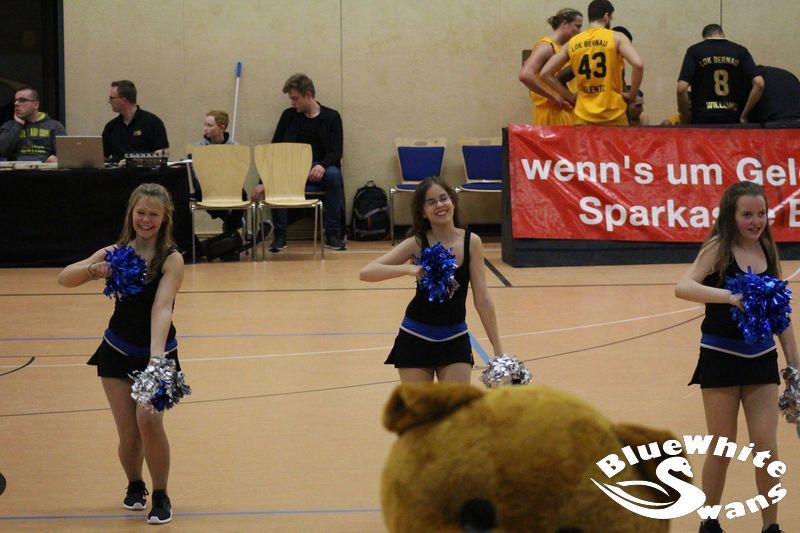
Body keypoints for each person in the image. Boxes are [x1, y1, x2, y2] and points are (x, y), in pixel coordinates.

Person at [58, 183, 184, 525]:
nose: (146, 219)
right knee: (129, 435)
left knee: (149, 422)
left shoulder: (171, 259)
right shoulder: (114, 252)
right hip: (116, 349)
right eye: (140, 212)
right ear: (131, 213)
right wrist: (93, 271)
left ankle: (161, 494)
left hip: (157, 352)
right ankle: (135, 484)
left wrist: (155, 360)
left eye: (153, 214)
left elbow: (162, 308)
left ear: (164, 218)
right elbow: (64, 279)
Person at [675, 181, 797, 533]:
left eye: (761, 214)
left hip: (761, 360)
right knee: (722, 446)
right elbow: (683, 287)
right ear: (731, 215)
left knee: (766, 448)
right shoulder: (719, 248)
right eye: (747, 214)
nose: (755, 221)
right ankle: (709, 522)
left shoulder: (768, 249)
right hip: (720, 358)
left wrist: (795, 366)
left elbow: (781, 314)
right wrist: (729, 297)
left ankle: (771, 527)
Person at [359, 177, 503, 384]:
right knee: (421, 406)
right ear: (422, 211)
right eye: (431, 202)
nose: (440, 205)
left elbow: (483, 300)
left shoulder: (472, 242)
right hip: (415, 337)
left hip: (455, 338)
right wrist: (407, 269)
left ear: (453, 201)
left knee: (457, 403)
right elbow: (366, 272)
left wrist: (498, 348)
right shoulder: (417, 243)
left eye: (444, 198)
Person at [252, 73, 346, 251]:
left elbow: (336, 152)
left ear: (308, 95)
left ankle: (333, 234)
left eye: (295, 98)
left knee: (334, 175)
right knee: (277, 177)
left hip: (319, 166)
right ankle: (280, 236)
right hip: (291, 167)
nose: (292, 103)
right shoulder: (288, 116)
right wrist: (263, 181)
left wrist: (322, 165)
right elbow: (274, 149)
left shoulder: (332, 117)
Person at [540, 0, 643, 126]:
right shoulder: (617, 37)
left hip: (583, 116)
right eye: (611, 18)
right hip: (613, 115)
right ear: (606, 16)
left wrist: (570, 97)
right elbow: (638, 65)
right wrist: (632, 95)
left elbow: (545, 73)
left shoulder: (573, 42)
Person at [677, 24, 764, 125]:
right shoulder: (741, 51)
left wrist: (685, 118)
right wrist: (744, 116)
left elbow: (681, 89)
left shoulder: (694, 51)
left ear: (704, 37)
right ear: (722, 34)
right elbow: (759, 83)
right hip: (732, 118)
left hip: (702, 119)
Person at [518, 8, 583, 125]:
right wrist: (552, 97)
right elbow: (525, 75)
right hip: (552, 114)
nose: (579, 31)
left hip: (567, 111)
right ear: (564, 23)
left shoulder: (564, 48)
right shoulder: (546, 46)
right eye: (577, 26)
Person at [192, 110, 246, 236]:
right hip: (207, 186)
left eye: (209, 125)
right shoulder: (199, 146)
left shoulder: (234, 146)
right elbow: (197, 173)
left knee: (243, 195)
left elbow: (239, 172)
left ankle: (230, 226)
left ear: (222, 127)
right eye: (205, 124)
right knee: (199, 194)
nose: (205, 128)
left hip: (229, 185)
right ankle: (227, 218)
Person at [102, 80, 169, 163]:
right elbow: (101, 157)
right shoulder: (111, 127)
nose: (109, 101)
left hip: (144, 171)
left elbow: (162, 156)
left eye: (111, 98)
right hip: (118, 171)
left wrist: (133, 162)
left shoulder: (153, 122)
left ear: (123, 100)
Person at [0, 87, 66, 162]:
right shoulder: (9, 125)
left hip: (45, 167)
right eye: (15, 100)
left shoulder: (55, 126)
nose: (16, 104)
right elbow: (2, 151)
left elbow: (65, 154)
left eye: (22, 100)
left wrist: (57, 159)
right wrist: (18, 125)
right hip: (16, 168)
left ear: (35, 105)